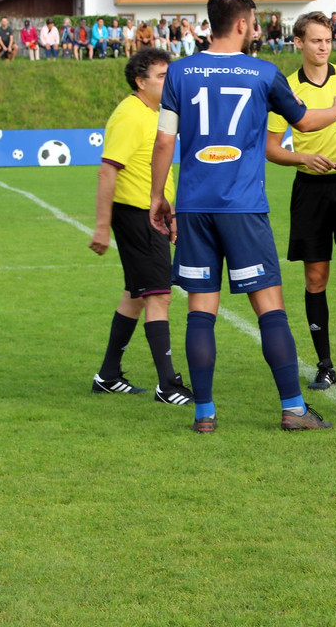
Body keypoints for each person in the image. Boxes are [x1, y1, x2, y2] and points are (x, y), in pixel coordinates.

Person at [149, 0, 336, 433]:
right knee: (270, 309)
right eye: (255, 22)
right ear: (242, 23)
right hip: (243, 207)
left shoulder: (180, 72)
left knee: (200, 311)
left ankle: (204, 414)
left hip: (195, 207)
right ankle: (294, 409)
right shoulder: (262, 72)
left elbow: (165, 141)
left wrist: (157, 197)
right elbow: (304, 121)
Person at [266, 10, 336, 391]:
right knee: (316, 278)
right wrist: (302, 157)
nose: (324, 47)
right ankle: (325, 364)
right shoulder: (285, 87)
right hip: (310, 190)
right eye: (316, 41)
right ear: (298, 42)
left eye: (328, 40)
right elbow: (270, 148)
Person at [89, 47, 194, 405]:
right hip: (135, 216)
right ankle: (168, 385)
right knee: (159, 295)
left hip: (149, 213)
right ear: (140, 82)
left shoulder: (157, 113)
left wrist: (170, 208)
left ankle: (107, 375)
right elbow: (108, 171)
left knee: (136, 296)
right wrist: (101, 227)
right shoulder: (131, 115)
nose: (169, 82)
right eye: (162, 76)